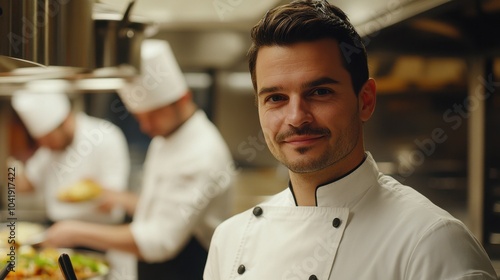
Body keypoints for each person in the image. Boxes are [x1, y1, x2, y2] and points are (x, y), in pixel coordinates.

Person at [204, 1, 498, 279]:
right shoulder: (230, 241)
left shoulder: (432, 243)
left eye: (320, 92)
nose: (296, 117)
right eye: (276, 98)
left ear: (365, 101)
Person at [42, 39, 235, 280]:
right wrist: (115, 197)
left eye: (152, 116)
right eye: (138, 117)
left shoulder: (201, 154)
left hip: (186, 269)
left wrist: (75, 232)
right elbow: (159, 206)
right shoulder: (166, 137)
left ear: (183, 98)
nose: (145, 127)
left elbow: (160, 242)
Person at [10, 89, 130, 224]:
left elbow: (113, 201)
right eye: (41, 141)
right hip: (56, 228)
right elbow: (27, 184)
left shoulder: (106, 135)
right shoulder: (48, 149)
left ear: (65, 120)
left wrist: (92, 191)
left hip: (98, 232)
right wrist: (11, 168)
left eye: (49, 139)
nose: (46, 145)